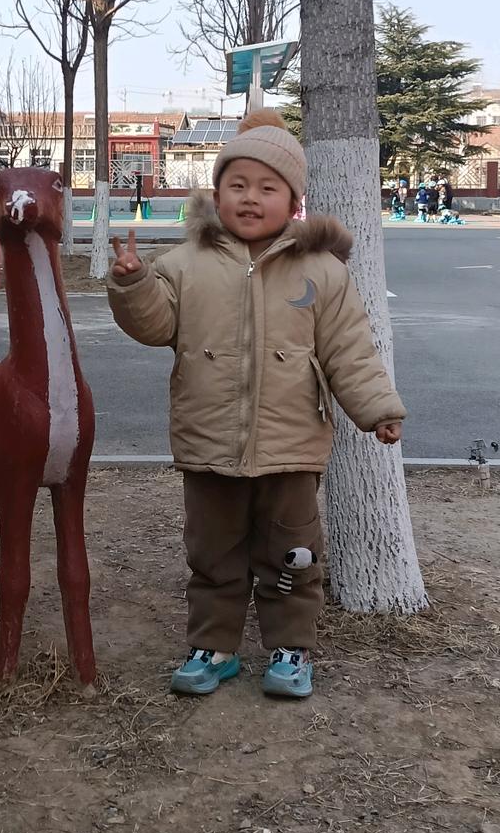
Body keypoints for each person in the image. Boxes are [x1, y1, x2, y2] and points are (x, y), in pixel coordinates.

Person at [107, 108, 406, 700]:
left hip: (291, 447)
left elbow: (350, 347)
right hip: (208, 443)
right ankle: (213, 648)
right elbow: (154, 323)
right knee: (212, 553)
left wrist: (378, 409)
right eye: (236, 185)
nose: (250, 199)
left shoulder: (320, 270)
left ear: (292, 199)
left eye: (268, 188)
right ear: (216, 193)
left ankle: (291, 651)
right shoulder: (184, 264)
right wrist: (134, 282)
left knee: (292, 555)